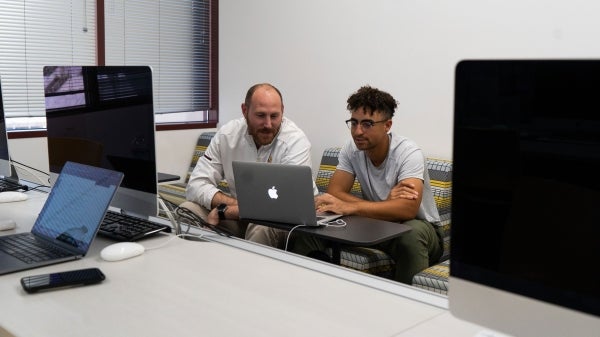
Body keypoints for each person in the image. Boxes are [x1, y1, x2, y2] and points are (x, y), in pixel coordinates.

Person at [292, 85, 444, 284]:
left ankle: (407, 306)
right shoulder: (351, 149)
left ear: (387, 125)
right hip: (375, 224)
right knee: (310, 230)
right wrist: (386, 205)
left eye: (367, 124)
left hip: (420, 228)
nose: (357, 131)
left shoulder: (408, 153)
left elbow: (407, 210)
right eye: (354, 123)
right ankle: (301, 287)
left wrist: (352, 206)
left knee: (411, 234)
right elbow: (334, 192)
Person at [183, 83, 316, 248]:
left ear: (282, 110)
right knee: (187, 210)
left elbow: (286, 206)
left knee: (260, 227)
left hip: (285, 222)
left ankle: (246, 273)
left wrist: (225, 210)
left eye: (274, 116)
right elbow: (195, 185)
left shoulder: (296, 141)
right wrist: (234, 208)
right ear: (244, 111)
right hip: (239, 216)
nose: (268, 124)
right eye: (260, 115)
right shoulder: (227, 135)